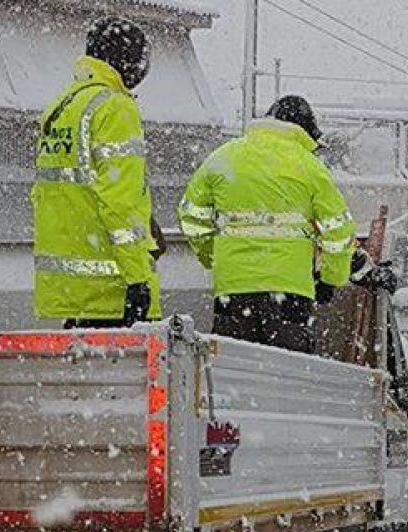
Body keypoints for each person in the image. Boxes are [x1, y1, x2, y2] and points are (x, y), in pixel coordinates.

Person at [177, 95, 356, 353]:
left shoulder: (224, 158)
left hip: (234, 290)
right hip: (291, 295)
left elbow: (191, 215)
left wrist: (212, 257)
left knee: (232, 376)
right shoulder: (309, 166)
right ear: (304, 131)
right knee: (286, 379)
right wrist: (330, 280)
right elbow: (338, 231)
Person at [32, 17, 164, 328]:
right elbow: (118, 201)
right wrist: (138, 278)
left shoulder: (62, 106)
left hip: (71, 293)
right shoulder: (115, 108)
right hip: (112, 292)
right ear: (127, 60)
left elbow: (53, 194)